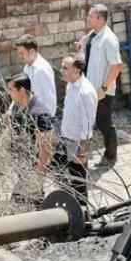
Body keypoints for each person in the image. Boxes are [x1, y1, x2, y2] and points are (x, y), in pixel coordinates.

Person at [78, 3, 123, 168]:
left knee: (104, 123)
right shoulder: (96, 33)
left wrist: (104, 88)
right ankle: (82, 155)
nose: (88, 18)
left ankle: (111, 156)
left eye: (91, 16)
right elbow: (90, 37)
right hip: (91, 88)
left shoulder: (109, 39)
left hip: (102, 91)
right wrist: (82, 42)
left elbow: (116, 65)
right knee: (89, 121)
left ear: (100, 19)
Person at [5, 74, 54, 207]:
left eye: (11, 90)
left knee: (20, 203)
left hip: (33, 169)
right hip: (23, 166)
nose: (8, 93)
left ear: (21, 91)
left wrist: (37, 175)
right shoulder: (17, 106)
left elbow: (46, 149)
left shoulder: (40, 114)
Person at [56, 56, 97, 204]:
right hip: (66, 137)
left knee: (79, 182)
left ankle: (84, 216)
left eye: (65, 68)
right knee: (58, 170)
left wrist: (82, 150)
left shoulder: (86, 92)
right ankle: (69, 201)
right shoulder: (70, 85)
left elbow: (88, 123)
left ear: (77, 71)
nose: (61, 71)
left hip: (78, 143)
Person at [14, 35, 57, 120]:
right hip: (31, 115)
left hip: (42, 118)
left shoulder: (42, 70)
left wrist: (46, 124)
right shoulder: (27, 67)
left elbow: (49, 100)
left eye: (22, 53)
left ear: (32, 51)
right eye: (18, 53)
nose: (20, 56)